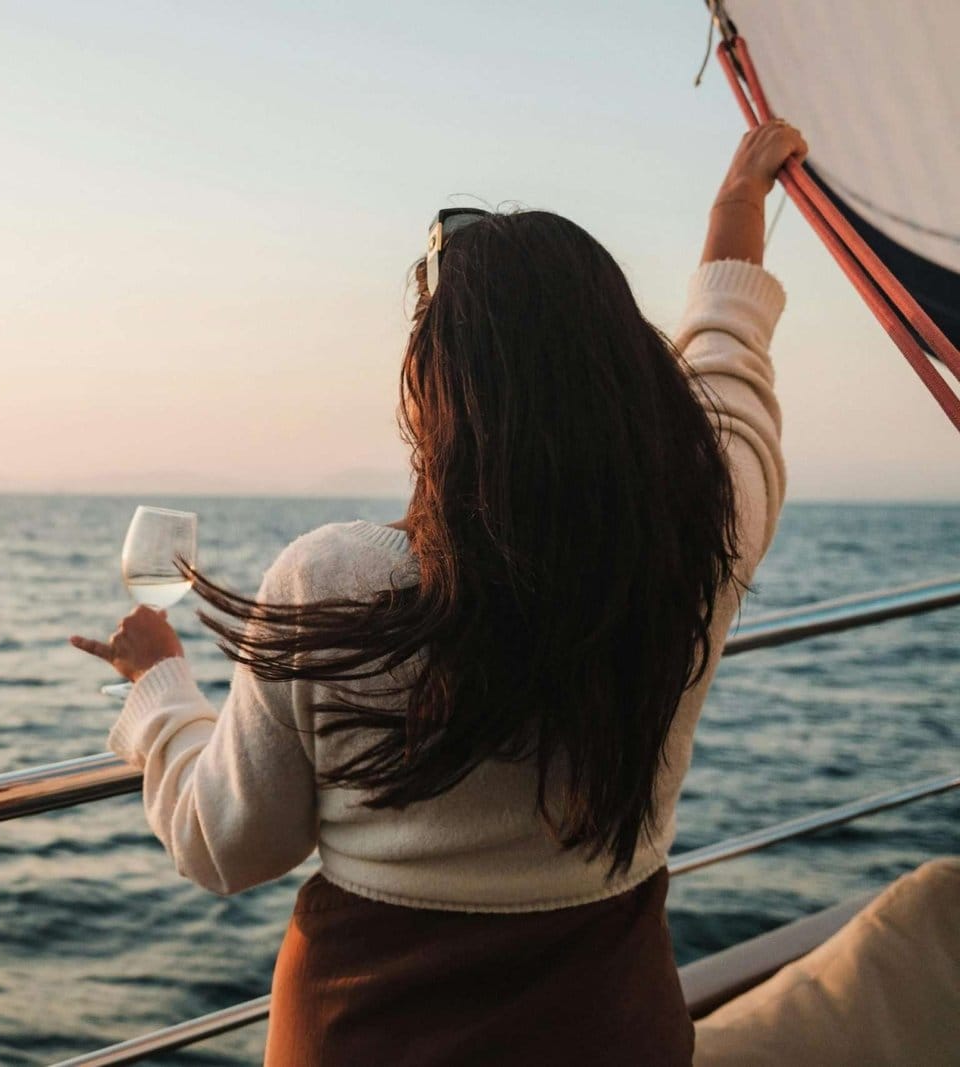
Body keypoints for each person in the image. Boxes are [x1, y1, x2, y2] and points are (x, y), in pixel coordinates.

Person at [71, 120, 808, 1066]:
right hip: (610, 1030)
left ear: (435, 391)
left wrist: (160, 695)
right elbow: (731, 363)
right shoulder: (699, 542)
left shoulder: (334, 578)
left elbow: (225, 843)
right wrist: (738, 209)